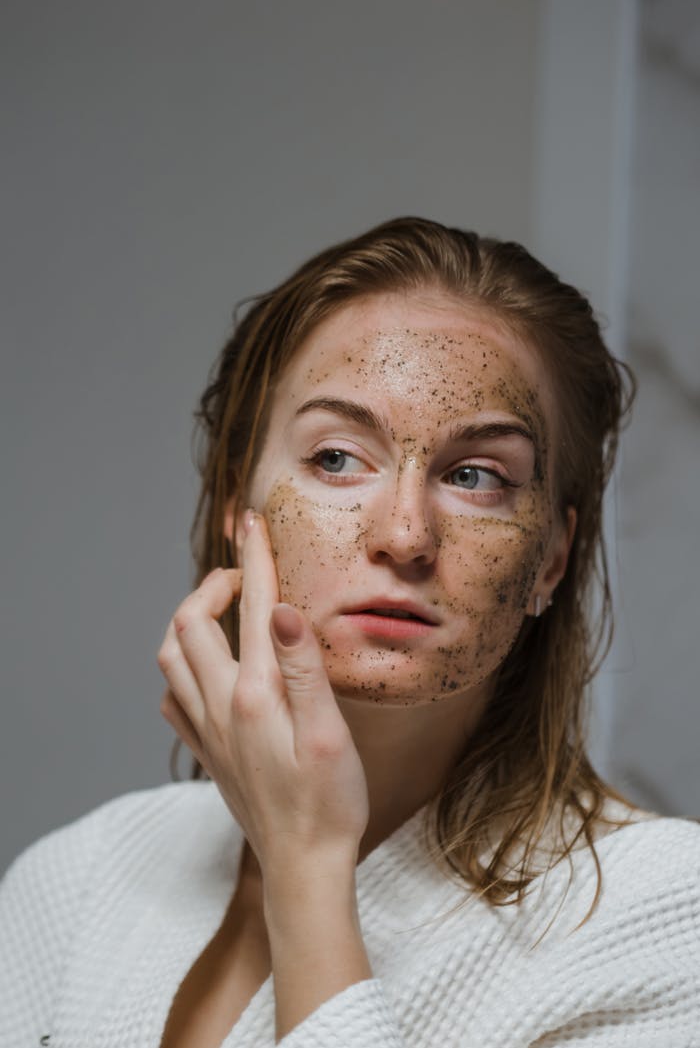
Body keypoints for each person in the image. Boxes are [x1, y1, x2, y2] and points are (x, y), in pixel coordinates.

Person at [1, 217, 698, 1048]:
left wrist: (305, 869)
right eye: (336, 457)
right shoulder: (82, 875)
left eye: (475, 476)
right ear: (238, 509)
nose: (404, 535)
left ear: (552, 556)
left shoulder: (660, 912)